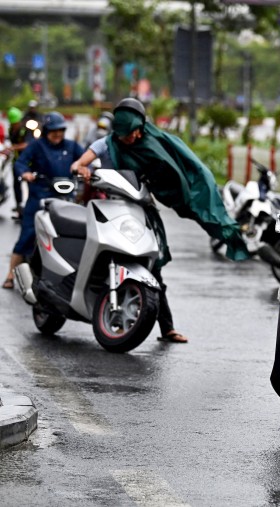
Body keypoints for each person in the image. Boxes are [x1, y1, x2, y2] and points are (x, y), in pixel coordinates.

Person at [71, 97, 250, 343]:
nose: (130, 139)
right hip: (111, 209)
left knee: (152, 267)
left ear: (141, 126)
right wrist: (81, 168)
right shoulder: (106, 143)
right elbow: (80, 162)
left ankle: (167, 328)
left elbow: (185, 169)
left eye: (134, 133)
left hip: (140, 211)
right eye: (125, 135)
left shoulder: (158, 142)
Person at [4, 112, 85, 289]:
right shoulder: (36, 146)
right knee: (27, 235)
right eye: (54, 131)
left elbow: (87, 160)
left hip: (65, 199)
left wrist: (86, 169)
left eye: (61, 130)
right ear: (47, 130)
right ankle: (10, 274)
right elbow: (21, 163)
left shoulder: (72, 147)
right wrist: (25, 173)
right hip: (39, 197)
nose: (58, 134)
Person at [4, 107, 36, 220]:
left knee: (29, 184)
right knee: (16, 184)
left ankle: (30, 209)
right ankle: (19, 207)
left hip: (28, 162)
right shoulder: (11, 129)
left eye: (16, 123)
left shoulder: (26, 129)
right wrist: (8, 151)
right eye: (13, 123)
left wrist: (14, 147)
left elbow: (28, 144)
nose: (15, 125)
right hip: (16, 162)